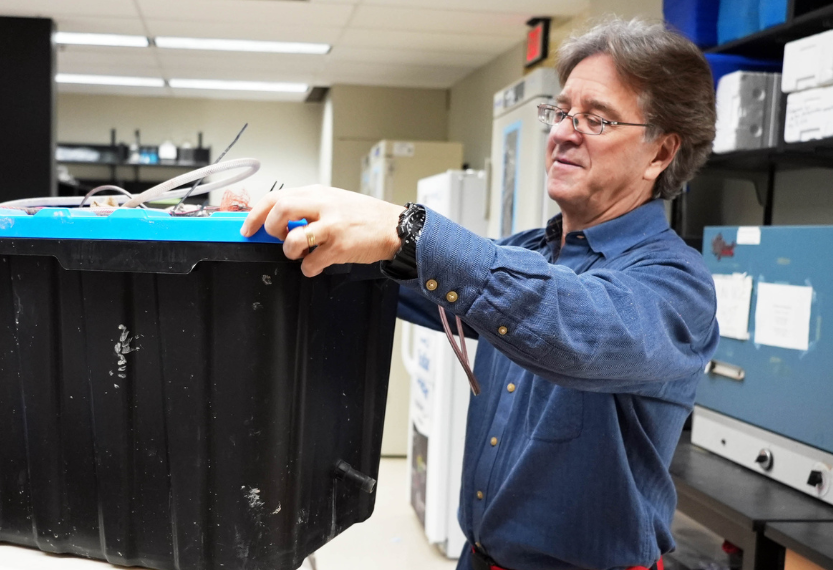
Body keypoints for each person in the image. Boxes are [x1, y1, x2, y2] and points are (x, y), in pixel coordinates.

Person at [242, 18, 719, 570]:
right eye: (561, 112)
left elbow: (575, 327)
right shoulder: (532, 252)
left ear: (660, 153)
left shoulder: (676, 284)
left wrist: (409, 231)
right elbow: (405, 277)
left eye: (596, 119)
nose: (564, 133)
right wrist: (293, 232)